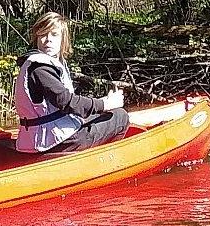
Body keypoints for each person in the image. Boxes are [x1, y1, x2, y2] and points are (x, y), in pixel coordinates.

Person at [11, 12, 134, 154]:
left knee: (105, 114)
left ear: (63, 39)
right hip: (56, 141)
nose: (47, 40)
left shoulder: (44, 63)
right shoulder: (40, 68)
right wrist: (105, 104)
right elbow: (65, 101)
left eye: (54, 34)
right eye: (43, 34)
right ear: (36, 38)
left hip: (45, 136)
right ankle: (105, 163)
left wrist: (102, 104)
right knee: (120, 116)